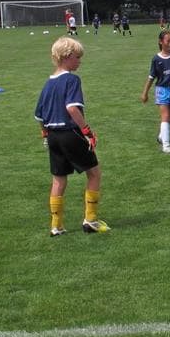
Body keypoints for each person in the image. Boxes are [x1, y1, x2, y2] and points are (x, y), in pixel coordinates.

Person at [34, 37, 110, 237]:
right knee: (94, 173)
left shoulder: (48, 83)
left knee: (58, 180)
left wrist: (44, 133)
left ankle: (56, 226)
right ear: (67, 57)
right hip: (70, 133)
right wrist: (87, 131)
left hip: (53, 136)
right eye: (77, 57)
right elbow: (72, 108)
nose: (80, 61)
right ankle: (90, 220)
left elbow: (39, 115)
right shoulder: (71, 80)